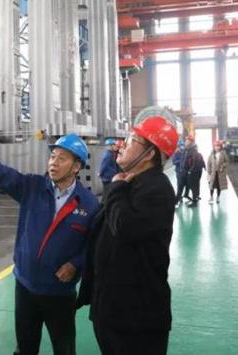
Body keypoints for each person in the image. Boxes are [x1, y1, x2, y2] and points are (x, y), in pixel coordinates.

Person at [0, 133, 100, 355]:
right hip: (26, 287)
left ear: (77, 166)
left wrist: (75, 264)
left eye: (62, 158)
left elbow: (94, 246)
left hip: (60, 293)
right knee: (25, 346)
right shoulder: (32, 187)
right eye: (52, 156)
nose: (53, 162)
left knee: (64, 347)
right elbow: (4, 175)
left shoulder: (88, 204)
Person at [76, 115, 178, 355]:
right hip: (112, 306)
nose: (122, 144)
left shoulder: (157, 189)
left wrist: (116, 188)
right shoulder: (131, 181)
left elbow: (124, 228)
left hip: (136, 316)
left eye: (131, 140)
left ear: (149, 154)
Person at [175, 134, 197, 205]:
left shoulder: (194, 151)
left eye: (188, 141)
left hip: (189, 173)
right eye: (186, 141)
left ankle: (194, 202)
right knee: (180, 187)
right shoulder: (184, 150)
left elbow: (195, 162)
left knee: (192, 187)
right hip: (182, 173)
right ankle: (176, 202)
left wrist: (190, 171)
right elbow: (182, 160)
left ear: (192, 142)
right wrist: (180, 169)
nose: (187, 142)